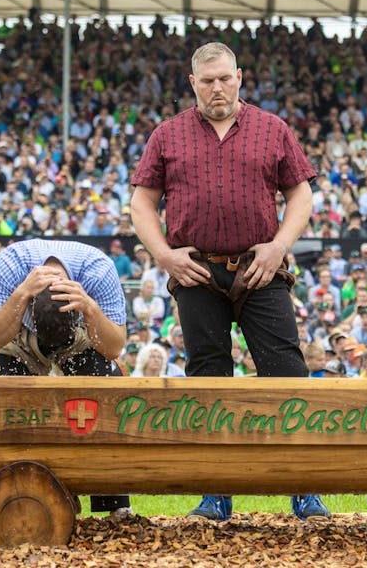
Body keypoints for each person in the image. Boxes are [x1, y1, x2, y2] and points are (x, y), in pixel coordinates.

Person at [129, 41, 330, 524]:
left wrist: (281, 245)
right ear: (192, 83)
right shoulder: (168, 134)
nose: (217, 87)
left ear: (239, 77)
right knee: (208, 376)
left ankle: (304, 490)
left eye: (225, 78)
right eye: (207, 80)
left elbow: (300, 195)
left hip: (261, 266)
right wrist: (164, 256)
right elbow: (142, 203)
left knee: (286, 373)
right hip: (195, 269)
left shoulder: (272, 128)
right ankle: (215, 492)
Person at [0, 237, 131, 519]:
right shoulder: (11, 265)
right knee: (9, 394)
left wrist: (89, 308)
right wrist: (20, 295)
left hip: (81, 331)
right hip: (18, 334)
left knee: (101, 389)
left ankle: (113, 501)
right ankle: (18, 490)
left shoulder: (99, 270)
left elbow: (114, 347)